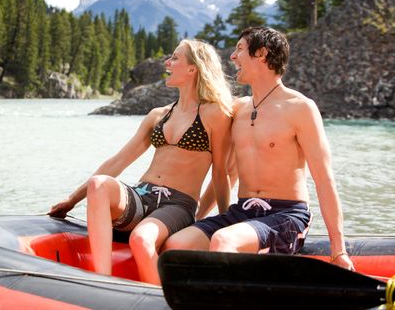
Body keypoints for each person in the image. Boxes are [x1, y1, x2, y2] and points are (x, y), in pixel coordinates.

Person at [163, 27, 354, 271]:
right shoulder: (238, 110)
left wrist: (338, 250)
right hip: (242, 211)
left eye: (240, 49)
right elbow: (226, 173)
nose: (232, 57)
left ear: (262, 54)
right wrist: (197, 215)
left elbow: (324, 180)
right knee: (176, 243)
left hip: (286, 215)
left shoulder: (300, 108)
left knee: (224, 240)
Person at [48, 39, 234, 284]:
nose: (167, 62)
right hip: (142, 194)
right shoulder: (158, 114)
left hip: (177, 205)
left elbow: (221, 174)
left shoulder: (215, 113)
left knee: (141, 239)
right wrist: (73, 200)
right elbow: (119, 161)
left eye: (175, 58)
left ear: (193, 68)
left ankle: (157, 301)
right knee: (99, 184)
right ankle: (102, 283)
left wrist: (225, 221)